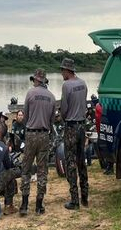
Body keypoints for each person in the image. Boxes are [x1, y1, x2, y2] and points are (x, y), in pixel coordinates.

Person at [20, 69, 56, 215]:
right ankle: (39, 205)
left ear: (37, 80)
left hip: (31, 134)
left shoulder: (30, 93)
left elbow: (25, 115)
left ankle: (24, 205)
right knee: (42, 170)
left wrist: (30, 126)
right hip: (44, 135)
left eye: (34, 79)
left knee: (26, 169)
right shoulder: (52, 97)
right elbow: (52, 120)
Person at [59, 58, 89, 210]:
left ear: (67, 71)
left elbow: (64, 108)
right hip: (82, 125)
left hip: (71, 126)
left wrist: (65, 118)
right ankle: (85, 197)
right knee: (81, 160)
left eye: (62, 71)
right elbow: (83, 103)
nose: (61, 74)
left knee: (70, 163)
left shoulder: (66, 85)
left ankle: (74, 200)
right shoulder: (83, 83)